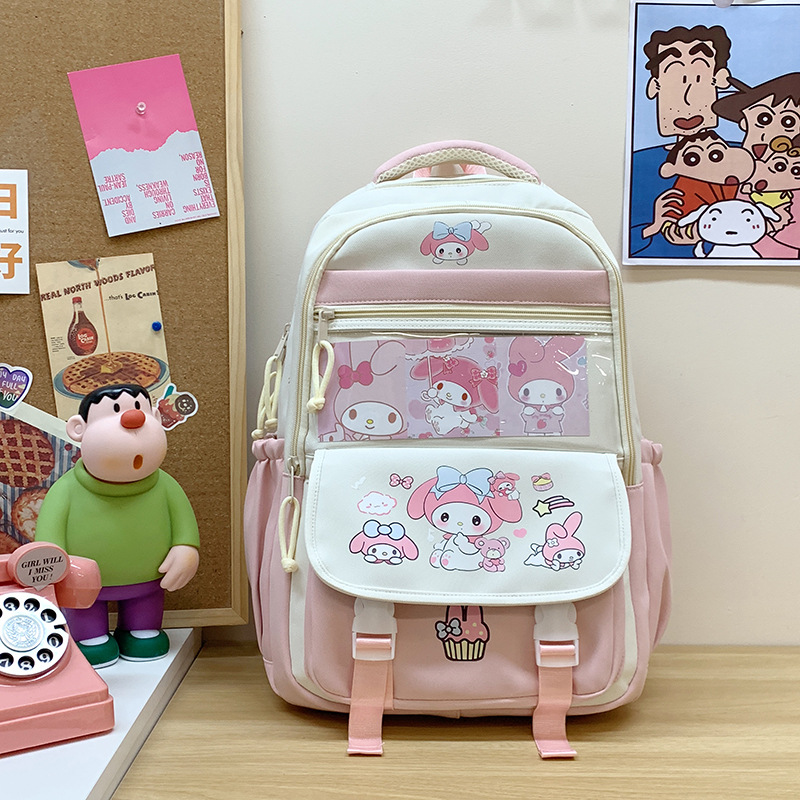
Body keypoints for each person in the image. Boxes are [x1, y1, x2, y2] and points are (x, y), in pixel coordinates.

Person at [35, 383, 200, 667]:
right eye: (113, 410)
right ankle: (89, 636)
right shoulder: (66, 490)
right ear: (79, 429)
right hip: (83, 586)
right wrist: (53, 566)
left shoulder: (165, 486)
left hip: (147, 581)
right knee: (89, 626)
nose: (132, 419)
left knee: (144, 621)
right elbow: (49, 536)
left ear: (155, 419)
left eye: (138, 408)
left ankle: (140, 631)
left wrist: (186, 550)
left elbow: (183, 525)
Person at [630, 25, 733, 258]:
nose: (687, 98)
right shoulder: (639, 163)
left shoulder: (740, 160)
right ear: (654, 86)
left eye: (698, 78)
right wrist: (652, 227)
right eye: (675, 79)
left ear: (719, 79)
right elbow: (620, 246)